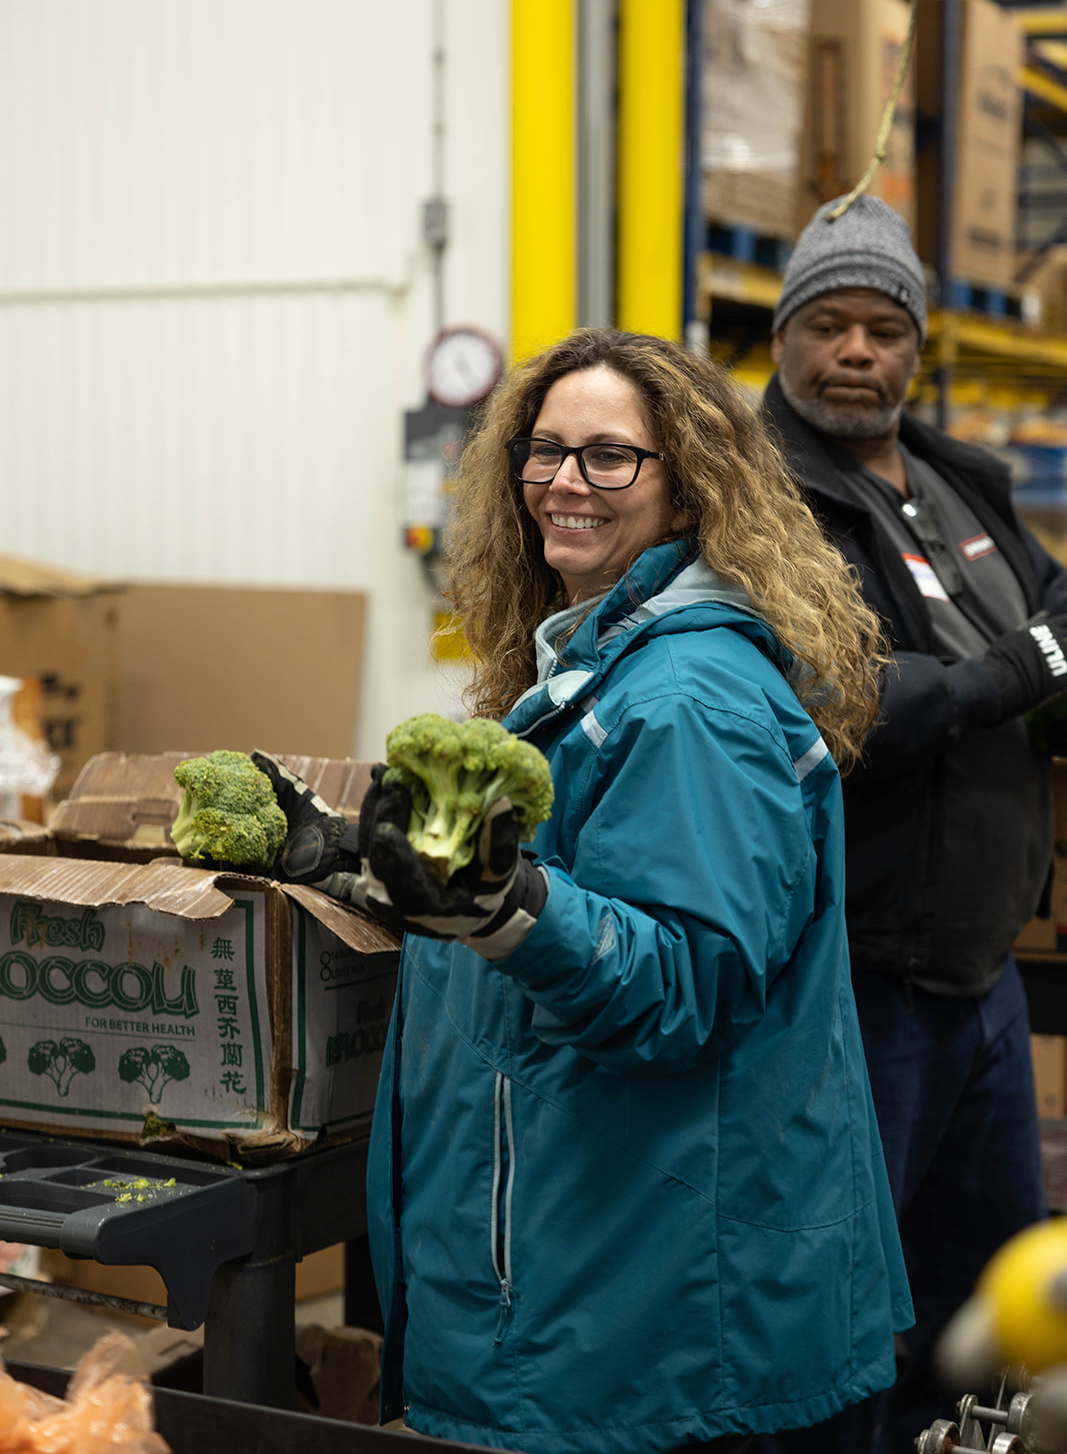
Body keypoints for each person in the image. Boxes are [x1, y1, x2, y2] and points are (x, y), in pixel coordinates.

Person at [256, 328, 912, 1454]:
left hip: (656, 1314)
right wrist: (354, 862)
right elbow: (563, 888)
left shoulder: (687, 699)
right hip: (595, 1272)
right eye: (545, 449)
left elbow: (682, 983)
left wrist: (502, 903)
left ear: (687, 487)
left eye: (610, 456)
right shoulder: (597, 660)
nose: (565, 480)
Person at [761, 194, 1067, 1453]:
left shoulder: (955, 479)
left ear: (914, 347)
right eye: (826, 323)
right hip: (858, 984)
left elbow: (1054, 605)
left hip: (981, 976)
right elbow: (845, 705)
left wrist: (1034, 652)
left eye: (881, 329)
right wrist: (1016, 670)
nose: (854, 352)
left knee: (989, 1319)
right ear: (782, 335)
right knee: (843, 1326)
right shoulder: (765, 502)